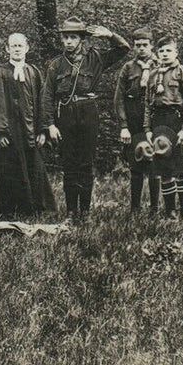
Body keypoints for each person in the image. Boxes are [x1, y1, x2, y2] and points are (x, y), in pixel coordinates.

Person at [43, 18, 130, 218]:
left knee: (86, 162)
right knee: (69, 163)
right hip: (65, 113)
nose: (69, 42)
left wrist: (109, 35)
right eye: (65, 38)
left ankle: (85, 211)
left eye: (73, 37)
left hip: (88, 111)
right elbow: (48, 96)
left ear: (82, 39)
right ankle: (72, 211)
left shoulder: (95, 58)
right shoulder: (56, 65)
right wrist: (50, 124)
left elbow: (124, 49)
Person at [0, 33, 56, 219]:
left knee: (35, 169)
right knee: (10, 171)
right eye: (13, 46)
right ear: (7, 49)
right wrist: (0, 132)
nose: (17, 49)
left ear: (27, 48)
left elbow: (42, 102)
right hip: (10, 134)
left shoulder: (34, 72)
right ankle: (10, 212)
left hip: (31, 132)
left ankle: (38, 210)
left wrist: (42, 130)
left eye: (20, 46)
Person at [143, 36, 183, 218]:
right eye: (161, 51)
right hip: (158, 122)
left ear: (176, 52)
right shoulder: (153, 75)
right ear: (157, 53)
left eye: (168, 50)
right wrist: (147, 129)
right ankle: (169, 210)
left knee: (180, 168)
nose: (165, 54)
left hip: (176, 119)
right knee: (163, 167)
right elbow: (148, 103)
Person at [114, 29, 158, 215]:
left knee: (156, 163)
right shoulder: (128, 68)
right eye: (137, 45)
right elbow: (119, 98)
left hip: (155, 119)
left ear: (152, 45)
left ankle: (155, 208)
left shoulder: (161, 64)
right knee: (136, 164)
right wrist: (124, 126)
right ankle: (135, 208)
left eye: (144, 45)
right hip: (133, 119)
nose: (141, 49)